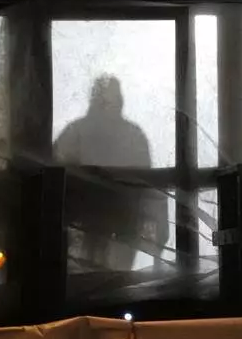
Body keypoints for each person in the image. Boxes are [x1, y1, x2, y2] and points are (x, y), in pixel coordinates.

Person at [53, 76, 170, 271]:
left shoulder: (75, 133)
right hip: (104, 228)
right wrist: (158, 233)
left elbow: (149, 188)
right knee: (109, 285)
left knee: (90, 284)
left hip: (102, 228)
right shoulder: (133, 136)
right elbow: (150, 188)